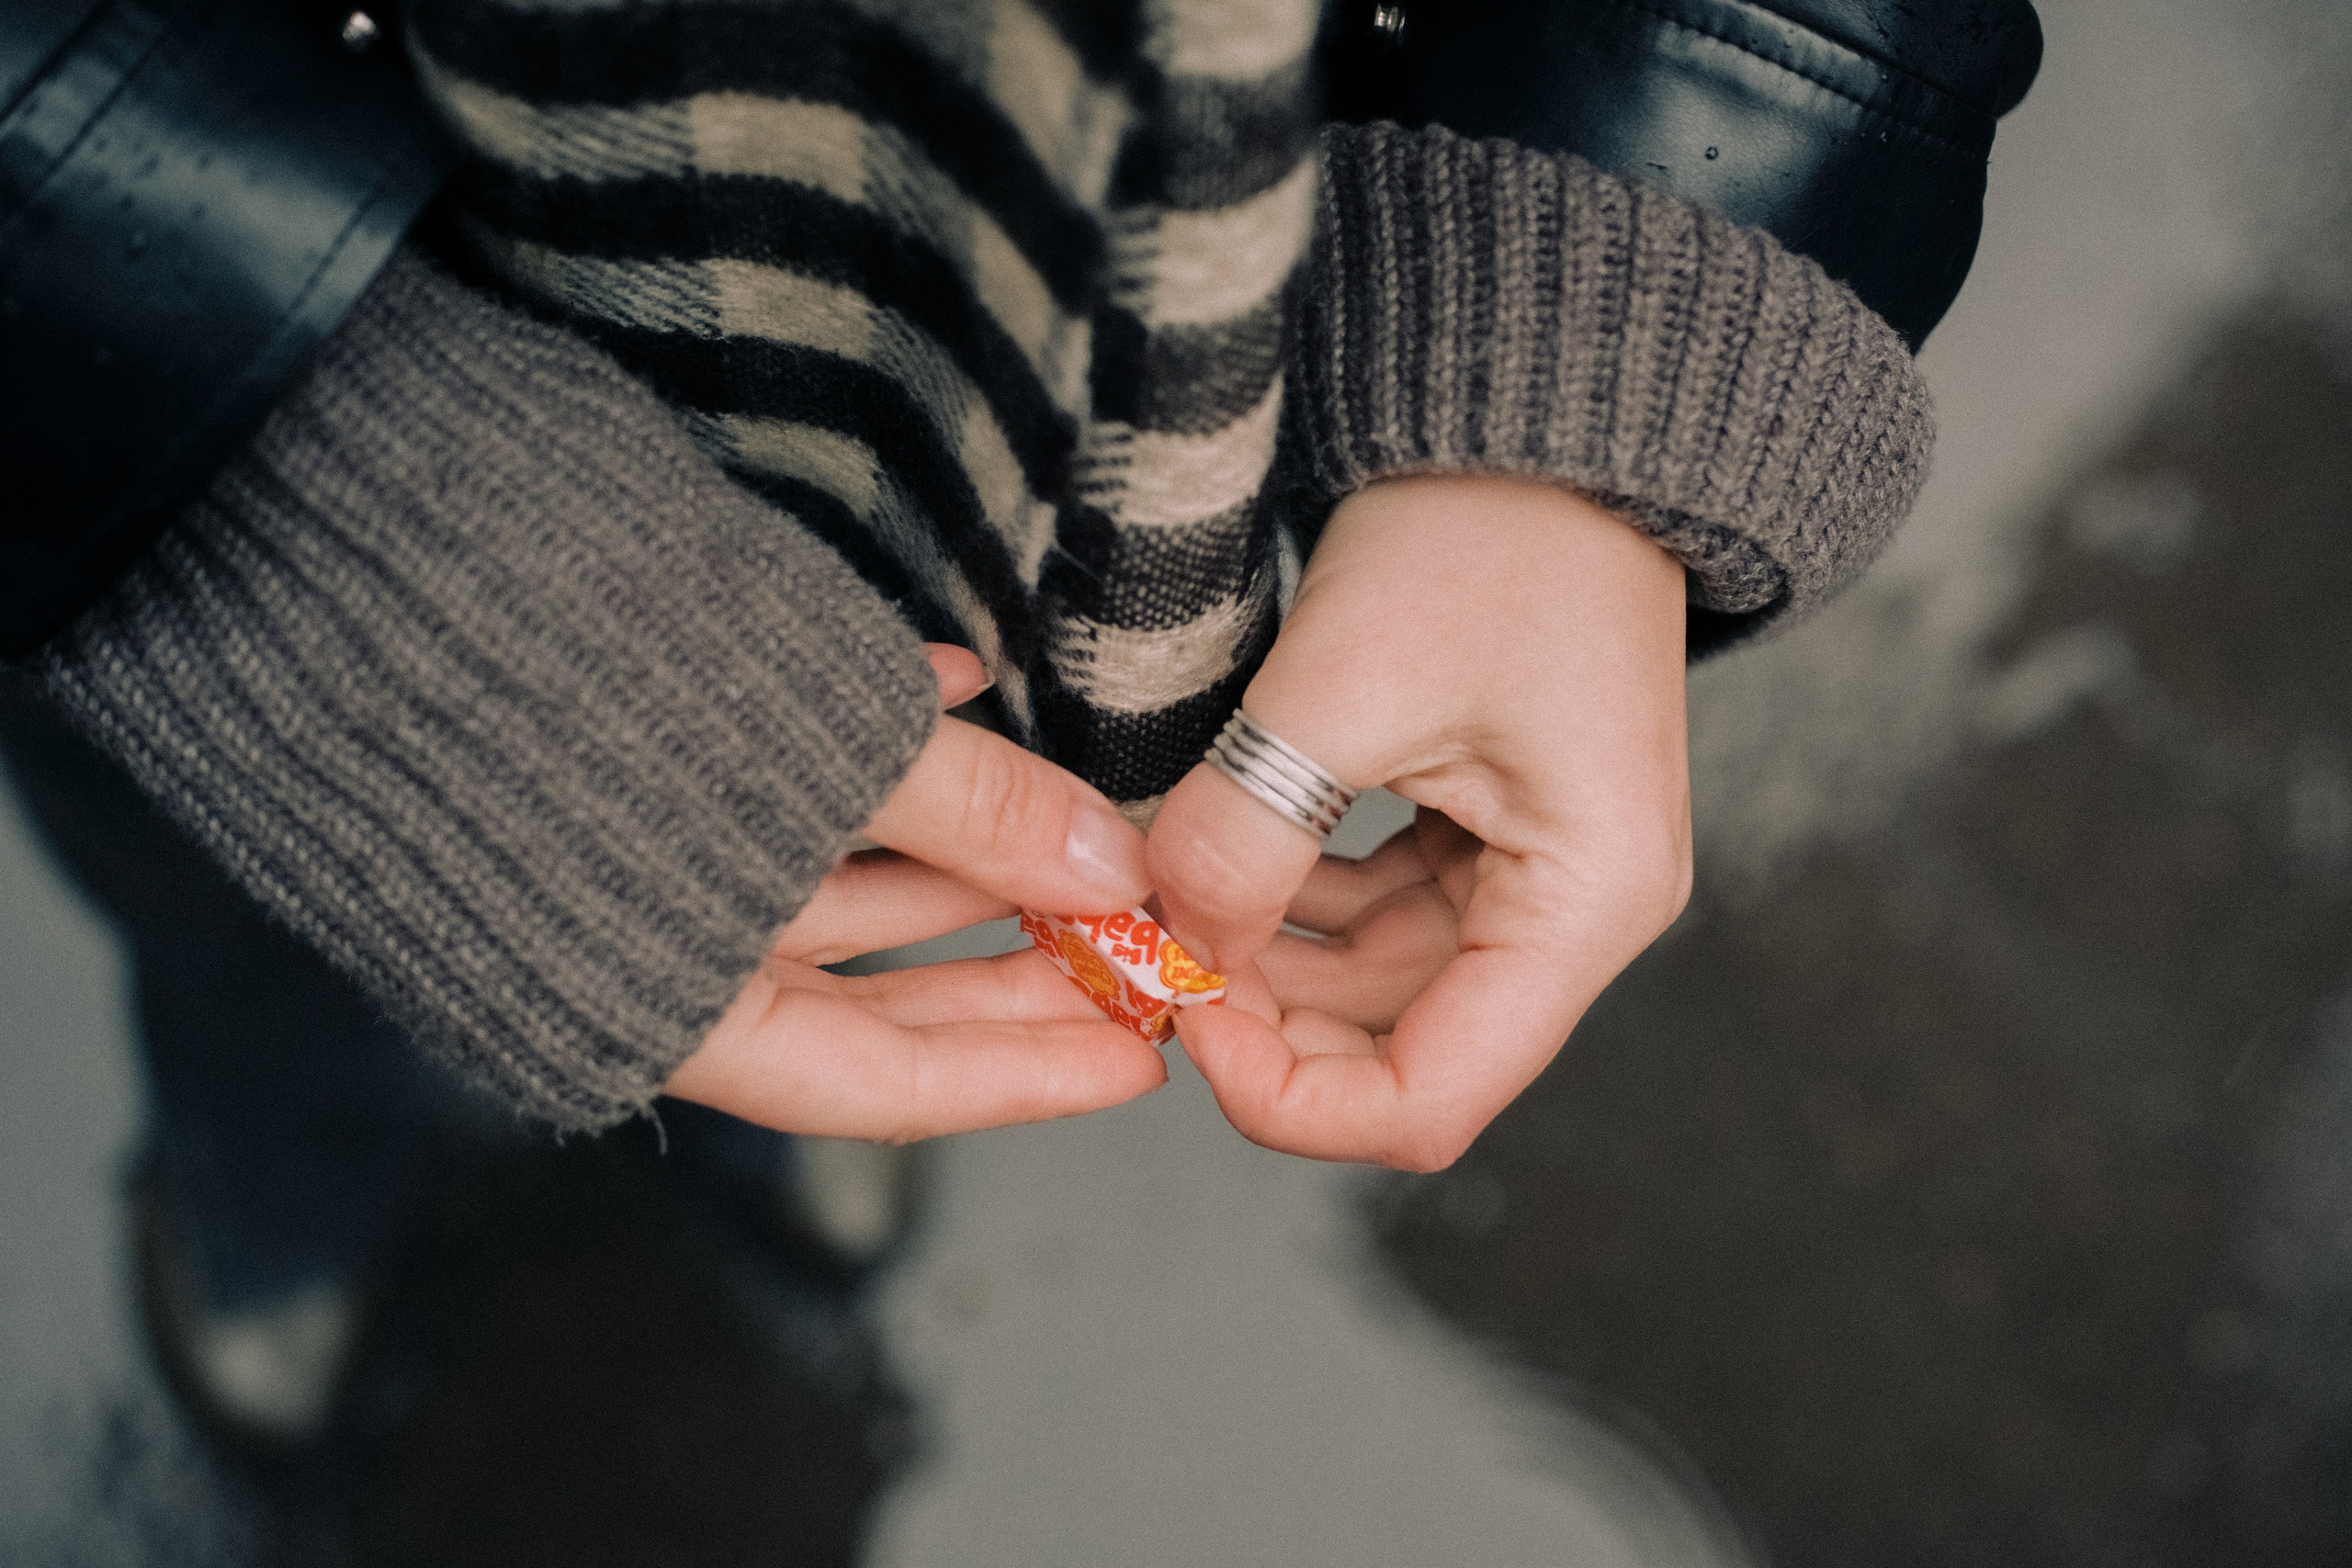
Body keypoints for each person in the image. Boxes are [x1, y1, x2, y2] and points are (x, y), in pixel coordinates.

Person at [0, 0, 2041, 1445]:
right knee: (255, 915)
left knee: (876, 874)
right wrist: (272, 489)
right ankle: (278, 1175)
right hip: (304, 224)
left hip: (1044, 382)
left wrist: (1589, 355)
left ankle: (735, 1148)